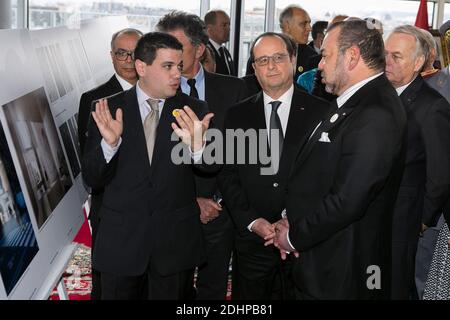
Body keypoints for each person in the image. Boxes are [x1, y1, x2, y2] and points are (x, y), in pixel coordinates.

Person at [273, 19, 407, 299]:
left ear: (352, 56)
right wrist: (292, 218)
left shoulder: (375, 112)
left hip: (342, 269)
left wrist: (294, 236)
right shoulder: (351, 101)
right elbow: (318, 173)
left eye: (325, 55)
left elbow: (348, 200)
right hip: (322, 259)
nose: (319, 64)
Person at [81, 32, 214, 300]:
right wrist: (110, 145)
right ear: (142, 67)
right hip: (121, 246)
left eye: (179, 66)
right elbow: (93, 178)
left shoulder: (194, 110)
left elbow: (211, 168)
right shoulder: (106, 109)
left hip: (174, 248)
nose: (177, 73)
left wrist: (198, 147)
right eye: (168, 66)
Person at [218, 32, 330, 299]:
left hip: (303, 240)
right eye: (263, 60)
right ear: (254, 69)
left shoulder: (323, 112)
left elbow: (327, 176)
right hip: (252, 241)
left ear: (292, 60)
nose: (271, 66)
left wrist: (293, 221)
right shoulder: (237, 115)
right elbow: (228, 174)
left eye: (278, 58)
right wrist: (252, 221)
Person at [156, 11, 247, 300]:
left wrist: (216, 201)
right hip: (171, 212)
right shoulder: (154, 95)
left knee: (213, 290)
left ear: (199, 49)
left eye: (177, 46)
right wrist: (191, 201)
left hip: (221, 211)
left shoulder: (235, 89)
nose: (169, 53)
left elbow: (241, 152)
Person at [385, 25, 450, 299]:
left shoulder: (431, 105)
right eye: (385, 54)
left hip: (410, 221)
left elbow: (441, 173)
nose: (386, 62)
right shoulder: (380, 97)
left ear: (418, 63)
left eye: (396, 56)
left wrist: (422, 219)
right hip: (381, 217)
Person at [77, 27, 142, 300]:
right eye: (121, 53)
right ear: (111, 56)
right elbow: (91, 161)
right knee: (108, 285)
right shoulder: (94, 100)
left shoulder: (161, 95)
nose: (127, 60)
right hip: (110, 207)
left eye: (134, 53)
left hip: (150, 210)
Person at [205, 10, 236, 76]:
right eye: (224, 25)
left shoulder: (225, 51)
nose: (228, 28)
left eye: (229, 25)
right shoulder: (204, 52)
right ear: (209, 29)